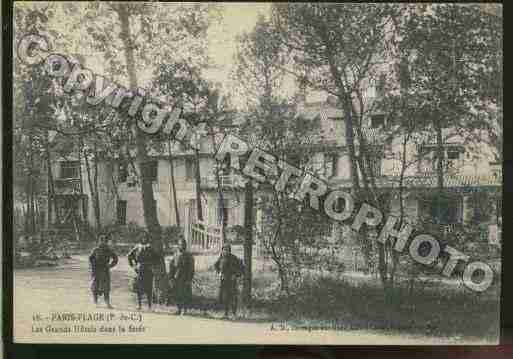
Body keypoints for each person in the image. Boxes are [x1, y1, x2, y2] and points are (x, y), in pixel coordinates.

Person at [128, 232, 160, 310]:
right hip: (140, 269)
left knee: (149, 288)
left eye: (145, 237)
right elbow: (129, 256)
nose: (144, 239)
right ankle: (139, 305)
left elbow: (157, 258)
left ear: (147, 238)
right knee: (139, 288)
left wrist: (153, 266)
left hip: (148, 270)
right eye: (143, 237)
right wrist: (134, 266)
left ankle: (149, 306)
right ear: (141, 238)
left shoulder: (150, 248)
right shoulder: (137, 247)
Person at [214, 243, 244, 318]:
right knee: (224, 297)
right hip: (223, 280)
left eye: (227, 250)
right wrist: (219, 273)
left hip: (231, 281)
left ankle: (234, 314)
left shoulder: (234, 258)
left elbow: (241, 268)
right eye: (224, 250)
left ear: (229, 251)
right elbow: (216, 266)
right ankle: (225, 313)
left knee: (233, 297)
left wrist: (236, 275)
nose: (225, 252)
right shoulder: (221, 258)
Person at [89, 233, 118, 308]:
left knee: (106, 287)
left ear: (106, 242)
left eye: (104, 241)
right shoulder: (95, 250)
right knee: (95, 286)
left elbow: (115, 258)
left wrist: (110, 265)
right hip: (96, 270)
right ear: (99, 241)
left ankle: (107, 303)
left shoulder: (109, 250)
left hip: (105, 270)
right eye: (101, 241)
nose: (103, 242)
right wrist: (92, 267)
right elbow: (90, 259)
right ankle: (95, 302)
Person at [168, 237, 195, 315]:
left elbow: (191, 268)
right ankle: (179, 308)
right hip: (177, 277)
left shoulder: (189, 256)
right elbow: (171, 266)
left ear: (185, 246)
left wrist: (189, 279)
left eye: (183, 245)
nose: (181, 246)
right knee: (177, 293)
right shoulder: (175, 255)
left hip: (185, 277)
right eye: (180, 244)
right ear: (178, 245)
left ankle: (184, 309)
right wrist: (171, 277)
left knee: (185, 294)